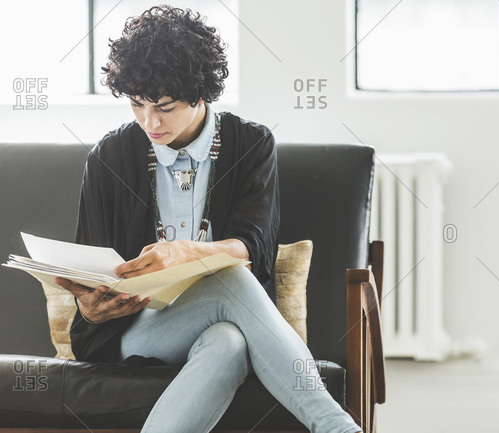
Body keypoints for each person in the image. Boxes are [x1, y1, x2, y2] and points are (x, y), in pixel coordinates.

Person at [53, 5, 362, 433]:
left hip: (229, 319)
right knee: (229, 281)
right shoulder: (110, 157)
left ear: (200, 94)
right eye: (137, 104)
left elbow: (254, 249)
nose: (149, 121)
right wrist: (90, 307)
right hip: (130, 332)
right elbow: (92, 266)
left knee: (229, 338)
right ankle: (338, 428)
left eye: (164, 106)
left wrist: (187, 253)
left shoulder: (251, 144)